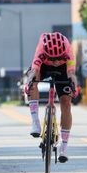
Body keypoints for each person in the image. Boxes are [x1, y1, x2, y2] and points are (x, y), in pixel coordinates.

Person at [25, 32, 78, 163]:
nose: (55, 62)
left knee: (66, 103)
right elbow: (35, 70)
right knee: (32, 83)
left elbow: (71, 73)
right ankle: (35, 122)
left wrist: (74, 86)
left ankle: (63, 147)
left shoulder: (68, 49)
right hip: (43, 66)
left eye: (58, 58)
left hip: (63, 70)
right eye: (53, 59)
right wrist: (29, 82)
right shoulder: (41, 48)